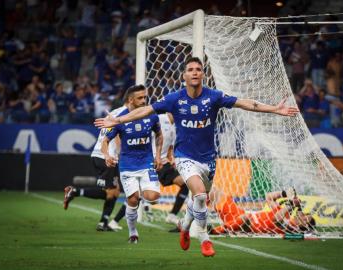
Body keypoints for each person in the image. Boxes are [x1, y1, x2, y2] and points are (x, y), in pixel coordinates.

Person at [94, 57, 299, 257]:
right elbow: (146, 110)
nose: (195, 72)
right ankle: (204, 238)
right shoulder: (175, 98)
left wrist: (274, 109)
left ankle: (185, 225)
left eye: (198, 69)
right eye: (190, 69)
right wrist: (117, 120)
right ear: (184, 75)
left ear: (203, 74)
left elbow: (245, 104)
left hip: (208, 159)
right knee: (200, 195)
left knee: (201, 198)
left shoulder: (214, 96)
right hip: (184, 157)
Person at [101, 84, 163, 244]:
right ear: (130, 100)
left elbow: (159, 135)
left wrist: (157, 155)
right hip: (127, 165)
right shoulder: (120, 118)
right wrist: (107, 155)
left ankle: (137, 194)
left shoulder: (152, 115)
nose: (144, 101)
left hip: (147, 163)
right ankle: (133, 232)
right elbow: (105, 140)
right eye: (140, 98)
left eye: (145, 97)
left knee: (153, 197)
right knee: (134, 200)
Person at [63, 105, 127, 232]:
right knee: (111, 192)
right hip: (107, 157)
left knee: (113, 192)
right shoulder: (124, 115)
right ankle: (76, 192)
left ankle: (103, 223)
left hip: (99, 155)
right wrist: (122, 153)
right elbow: (118, 137)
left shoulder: (114, 113)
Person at [209, 188, 316, 235]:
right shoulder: (286, 213)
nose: (303, 217)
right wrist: (285, 193)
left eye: (306, 219)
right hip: (240, 214)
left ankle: (215, 231)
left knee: (246, 218)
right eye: (306, 216)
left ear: (305, 226)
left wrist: (291, 205)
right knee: (216, 192)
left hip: (247, 225)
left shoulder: (291, 227)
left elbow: (276, 219)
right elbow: (269, 197)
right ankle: (196, 209)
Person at [153, 113, 189, 226]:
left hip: (164, 163)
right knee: (142, 196)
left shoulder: (175, 126)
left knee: (186, 184)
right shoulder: (158, 118)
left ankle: (172, 215)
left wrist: (172, 159)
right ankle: (113, 220)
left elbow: (170, 149)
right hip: (152, 161)